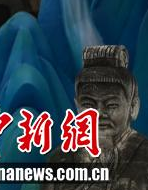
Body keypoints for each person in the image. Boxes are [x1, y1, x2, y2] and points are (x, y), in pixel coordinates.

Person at [44, 45, 148, 190]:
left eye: (111, 105)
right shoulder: (59, 159)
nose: (98, 113)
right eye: (88, 104)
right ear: (77, 107)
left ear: (133, 107)